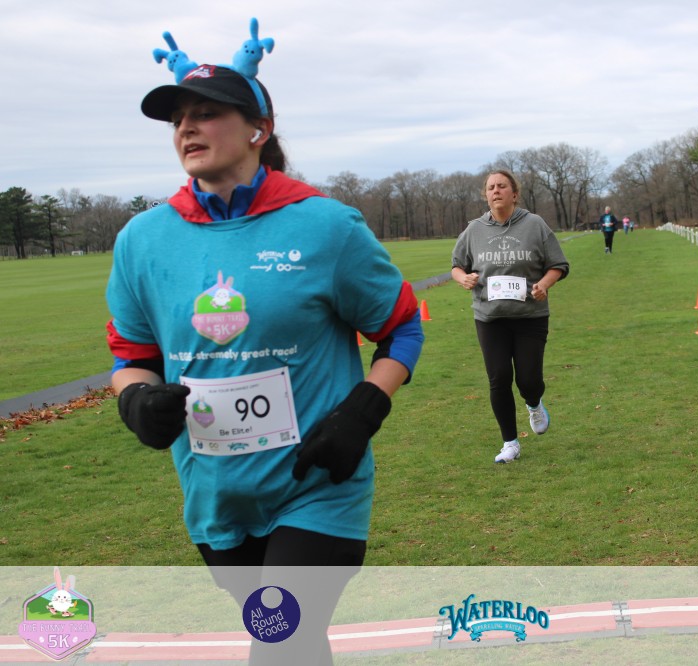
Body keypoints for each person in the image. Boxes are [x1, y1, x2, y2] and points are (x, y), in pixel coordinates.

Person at [104, 19, 423, 664]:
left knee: (282, 640)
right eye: (178, 119)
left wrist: (363, 411)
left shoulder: (326, 225)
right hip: (215, 493)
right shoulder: (142, 240)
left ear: (258, 129)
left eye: (206, 113)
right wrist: (135, 400)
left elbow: (401, 328)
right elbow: (132, 358)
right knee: (287, 641)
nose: (187, 128)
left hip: (317, 485)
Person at [451, 170, 570, 463]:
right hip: (490, 318)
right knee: (499, 378)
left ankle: (534, 403)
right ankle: (510, 443)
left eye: (502, 186)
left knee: (529, 380)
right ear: (486, 195)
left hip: (530, 315)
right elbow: (456, 266)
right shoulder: (474, 230)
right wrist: (463, 278)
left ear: (514, 194)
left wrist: (544, 284)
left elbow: (558, 264)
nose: (496, 191)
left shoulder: (535, 225)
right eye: (491, 187)